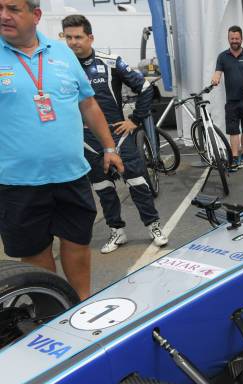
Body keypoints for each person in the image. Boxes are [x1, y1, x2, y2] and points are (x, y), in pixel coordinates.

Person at [0, 0, 124, 300]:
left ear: (36, 15)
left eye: (13, 8)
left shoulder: (63, 53)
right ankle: (52, 308)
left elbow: (88, 103)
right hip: (18, 182)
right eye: (0, 8)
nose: (4, 15)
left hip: (70, 174)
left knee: (77, 241)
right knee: (34, 250)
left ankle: (81, 303)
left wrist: (109, 147)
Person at [62, 14, 168, 254]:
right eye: (68, 37)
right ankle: (117, 231)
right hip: (86, 139)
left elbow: (145, 88)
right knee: (103, 188)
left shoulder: (111, 62)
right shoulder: (61, 66)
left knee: (137, 181)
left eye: (78, 37)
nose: (73, 42)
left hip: (118, 135)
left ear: (90, 37)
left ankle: (153, 226)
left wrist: (134, 120)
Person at [211, 25, 243, 171]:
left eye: (237, 38)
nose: (234, 41)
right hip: (232, 101)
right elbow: (217, 72)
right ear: (228, 39)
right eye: (232, 38)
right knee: (233, 130)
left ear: (241, 39)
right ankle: (235, 158)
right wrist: (215, 78)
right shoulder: (222, 57)